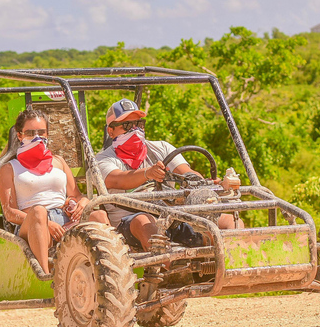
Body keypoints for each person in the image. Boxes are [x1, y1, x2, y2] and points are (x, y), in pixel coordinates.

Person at [96, 99, 241, 251]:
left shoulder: (161, 148)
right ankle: (167, 263)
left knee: (231, 223)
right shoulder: (102, 159)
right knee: (145, 222)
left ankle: (233, 261)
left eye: (139, 124)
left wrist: (203, 182)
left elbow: (185, 172)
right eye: (127, 125)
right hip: (130, 221)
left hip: (170, 216)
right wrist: (147, 173)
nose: (135, 129)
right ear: (111, 131)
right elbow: (118, 180)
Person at [0, 108, 109, 273]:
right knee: (39, 212)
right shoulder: (9, 168)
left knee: (99, 215)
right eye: (30, 133)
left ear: (48, 134)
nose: (37, 137)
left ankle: (106, 271)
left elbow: (76, 195)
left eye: (41, 132)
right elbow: (9, 212)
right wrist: (46, 223)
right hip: (31, 222)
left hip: (64, 218)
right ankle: (44, 275)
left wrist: (83, 202)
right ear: (19, 135)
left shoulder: (59, 162)